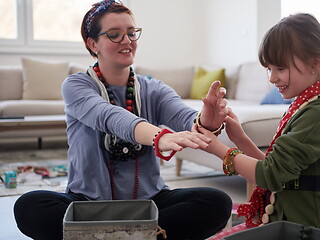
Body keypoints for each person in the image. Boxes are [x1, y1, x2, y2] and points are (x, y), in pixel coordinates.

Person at [13, 1, 232, 239]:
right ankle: (142, 235)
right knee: (29, 206)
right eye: (114, 35)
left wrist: (208, 120)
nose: (127, 41)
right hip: (88, 204)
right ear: (92, 43)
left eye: (131, 33)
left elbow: (186, 118)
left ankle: (104, 236)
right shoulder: (76, 85)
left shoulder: (153, 88)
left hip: (150, 204)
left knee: (217, 201)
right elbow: (108, 116)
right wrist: (159, 137)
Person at [197, 13, 320, 236]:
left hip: (306, 232)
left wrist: (217, 148)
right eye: (269, 68)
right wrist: (241, 139)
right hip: (290, 225)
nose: (272, 78)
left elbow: (269, 175)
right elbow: (280, 173)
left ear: (315, 62)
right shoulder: (307, 106)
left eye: (280, 68)